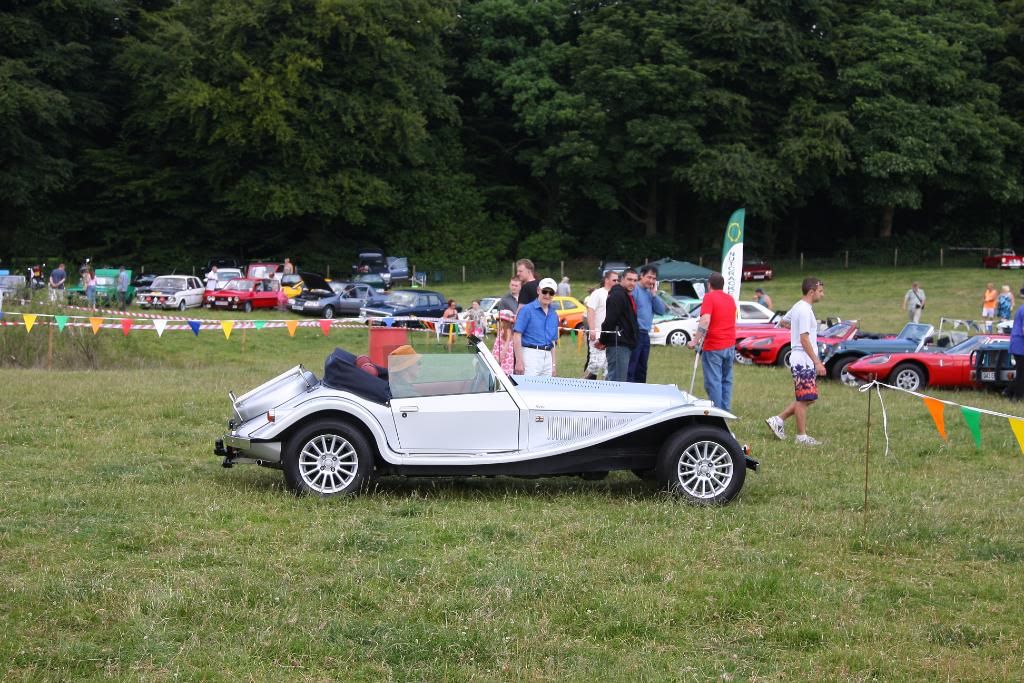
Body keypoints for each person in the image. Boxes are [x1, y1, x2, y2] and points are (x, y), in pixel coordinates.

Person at [765, 277, 827, 445]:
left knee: (810, 397)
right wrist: (817, 362)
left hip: (802, 357)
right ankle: (801, 437)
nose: (823, 295)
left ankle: (778, 420)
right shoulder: (805, 310)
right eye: (820, 291)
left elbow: (783, 322)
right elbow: (804, 339)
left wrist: (796, 328)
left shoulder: (798, 306)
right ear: (811, 291)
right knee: (803, 399)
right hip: (803, 358)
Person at [688, 273, 737, 411]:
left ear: (709, 285)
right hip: (730, 343)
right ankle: (725, 410)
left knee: (713, 381)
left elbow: (705, 320)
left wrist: (695, 340)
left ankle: (717, 411)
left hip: (715, 344)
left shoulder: (709, 297)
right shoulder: (730, 299)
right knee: (726, 379)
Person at [514, 277, 559, 376]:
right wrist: (519, 361)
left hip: (547, 357)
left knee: (546, 390)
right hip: (530, 354)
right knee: (528, 389)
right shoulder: (527, 310)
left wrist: (553, 365)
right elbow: (517, 335)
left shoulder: (554, 314)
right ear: (538, 290)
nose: (547, 295)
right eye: (545, 291)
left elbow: (553, 341)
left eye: (551, 293)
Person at [628, 265, 666, 383]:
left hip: (645, 334)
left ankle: (641, 393)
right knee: (632, 366)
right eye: (649, 277)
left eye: (654, 278)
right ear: (641, 276)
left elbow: (661, 311)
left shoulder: (650, 293)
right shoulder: (635, 290)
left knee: (642, 367)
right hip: (635, 333)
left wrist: (654, 294)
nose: (651, 281)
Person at [601, 269, 639, 382]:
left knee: (615, 379)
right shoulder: (618, 295)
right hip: (618, 344)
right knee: (617, 382)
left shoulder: (624, 295)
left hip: (623, 344)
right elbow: (610, 321)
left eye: (635, 280)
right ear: (621, 279)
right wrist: (603, 340)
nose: (632, 283)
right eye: (629, 279)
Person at [583, 271, 618, 379]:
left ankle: (606, 389)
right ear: (606, 280)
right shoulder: (598, 293)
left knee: (608, 365)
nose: (616, 282)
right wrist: (592, 329)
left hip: (612, 335)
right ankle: (583, 385)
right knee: (594, 364)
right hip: (597, 333)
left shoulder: (617, 294)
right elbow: (591, 310)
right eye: (614, 280)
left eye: (618, 280)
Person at [1005, 287, 1024, 400]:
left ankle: (1009, 391)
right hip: (1020, 346)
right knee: (1022, 373)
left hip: (1017, 344)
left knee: (1021, 372)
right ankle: (1016, 396)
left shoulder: (1021, 308)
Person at [492, 309, 516, 375]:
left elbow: (506, 347)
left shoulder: (508, 332)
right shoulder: (502, 331)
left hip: (504, 363)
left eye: (501, 320)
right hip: (498, 359)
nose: (499, 322)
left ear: (507, 322)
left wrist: (499, 360)